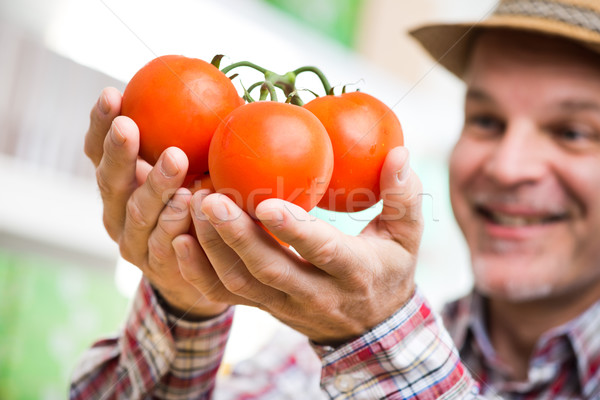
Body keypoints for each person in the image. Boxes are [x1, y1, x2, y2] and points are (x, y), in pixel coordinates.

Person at [70, 0, 600, 398]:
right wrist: (185, 300)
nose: (507, 167)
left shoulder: (346, 344)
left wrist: (377, 335)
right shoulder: (307, 365)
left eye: (574, 131)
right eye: (486, 120)